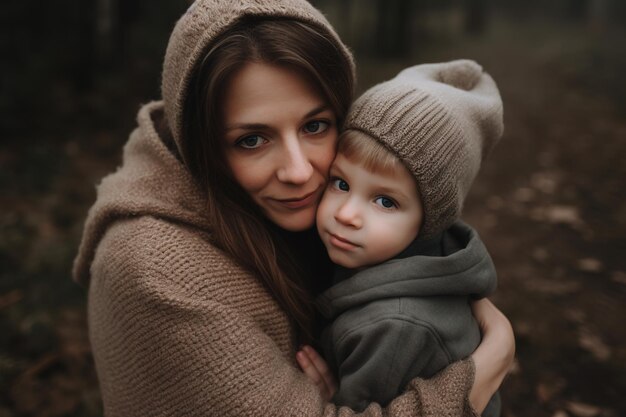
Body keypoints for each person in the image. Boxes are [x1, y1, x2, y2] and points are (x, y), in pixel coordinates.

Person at [72, 1, 514, 416]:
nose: (300, 172)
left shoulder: (313, 215)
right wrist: (476, 379)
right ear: (201, 145)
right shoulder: (155, 270)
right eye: (252, 139)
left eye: (315, 125)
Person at [314, 60, 504, 415]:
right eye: (341, 183)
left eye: (385, 201)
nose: (346, 214)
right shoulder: (374, 255)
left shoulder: (394, 329)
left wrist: (327, 398)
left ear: (430, 221)